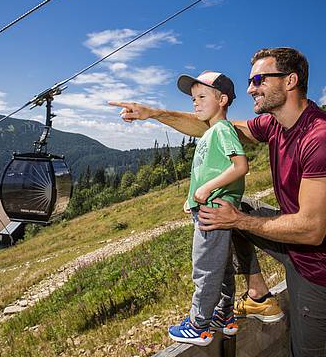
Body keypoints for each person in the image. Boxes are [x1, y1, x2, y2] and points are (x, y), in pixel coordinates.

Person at [109, 47, 326, 356]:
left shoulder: (318, 138)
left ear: (290, 81)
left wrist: (238, 220)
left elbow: (312, 230)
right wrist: (153, 113)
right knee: (234, 205)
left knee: (305, 351)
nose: (250, 89)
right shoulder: (275, 125)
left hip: (317, 266)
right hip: (293, 242)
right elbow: (214, 126)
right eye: (250, 81)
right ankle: (257, 294)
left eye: (259, 80)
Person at [170, 70, 249, 346]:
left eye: (202, 96)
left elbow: (240, 166)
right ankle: (224, 315)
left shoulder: (223, 129)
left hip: (212, 211)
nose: (195, 102)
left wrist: (205, 191)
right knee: (221, 265)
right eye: (193, 98)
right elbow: (206, 171)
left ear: (223, 100)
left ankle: (198, 325)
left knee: (205, 267)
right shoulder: (211, 132)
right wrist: (191, 197)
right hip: (207, 206)